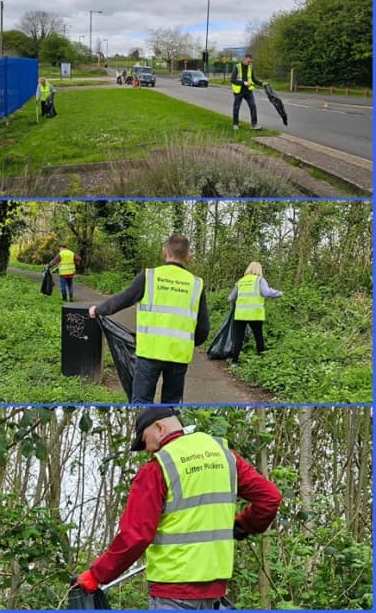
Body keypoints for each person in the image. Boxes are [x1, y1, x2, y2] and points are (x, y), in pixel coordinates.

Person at [76, 406, 282, 609]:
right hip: (215, 596)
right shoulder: (224, 455)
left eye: (144, 441)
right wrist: (244, 525)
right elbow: (270, 498)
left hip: (172, 595)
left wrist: (97, 575)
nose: (147, 449)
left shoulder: (158, 468)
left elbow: (135, 535)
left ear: (159, 427)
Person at [88, 234, 209, 404]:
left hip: (149, 353)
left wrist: (99, 310)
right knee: (171, 405)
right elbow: (203, 328)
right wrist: (188, 343)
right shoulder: (196, 284)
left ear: (164, 253)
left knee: (141, 401)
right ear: (188, 257)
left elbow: (123, 299)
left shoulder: (150, 276)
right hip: (178, 356)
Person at [228, 262, 282, 362]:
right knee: (258, 336)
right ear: (259, 270)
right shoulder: (259, 280)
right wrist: (279, 293)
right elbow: (266, 293)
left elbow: (231, 297)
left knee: (238, 338)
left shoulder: (241, 281)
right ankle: (261, 359)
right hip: (255, 314)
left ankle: (234, 361)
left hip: (240, 314)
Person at [231, 53, 264, 130]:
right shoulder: (237, 67)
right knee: (236, 107)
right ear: (245, 58)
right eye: (248, 61)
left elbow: (253, 79)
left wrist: (262, 83)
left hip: (248, 91)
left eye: (251, 62)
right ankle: (235, 124)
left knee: (253, 105)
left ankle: (254, 124)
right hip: (239, 91)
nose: (249, 63)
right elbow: (232, 80)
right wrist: (244, 83)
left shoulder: (250, 67)